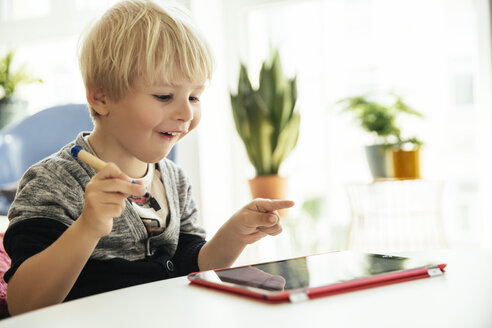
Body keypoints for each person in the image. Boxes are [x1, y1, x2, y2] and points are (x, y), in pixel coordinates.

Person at [3, 0, 294, 316]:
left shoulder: (174, 180)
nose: (185, 113)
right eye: (164, 96)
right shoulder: (51, 182)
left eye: (194, 97)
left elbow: (191, 267)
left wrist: (233, 236)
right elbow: (23, 304)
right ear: (101, 97)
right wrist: (87, 227)